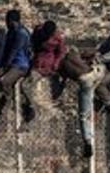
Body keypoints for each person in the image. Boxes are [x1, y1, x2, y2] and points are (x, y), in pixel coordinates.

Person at [31, 20, 100, 158]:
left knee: (83, 114)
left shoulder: (59, 63)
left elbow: (60, 75)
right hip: (94, 74)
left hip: (83, 81)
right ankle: (104, 101)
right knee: (87, 111)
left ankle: (87, 139)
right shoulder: (69, 54)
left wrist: (57, 89)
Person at [0, 8, 33, 121]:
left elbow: (13, 51)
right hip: (14, 64)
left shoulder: (21, 33)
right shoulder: (12, 32)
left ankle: (6, 105)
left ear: (12, 21)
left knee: (4, 81)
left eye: (7, 21)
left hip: (20, 65)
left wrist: (4, 66)